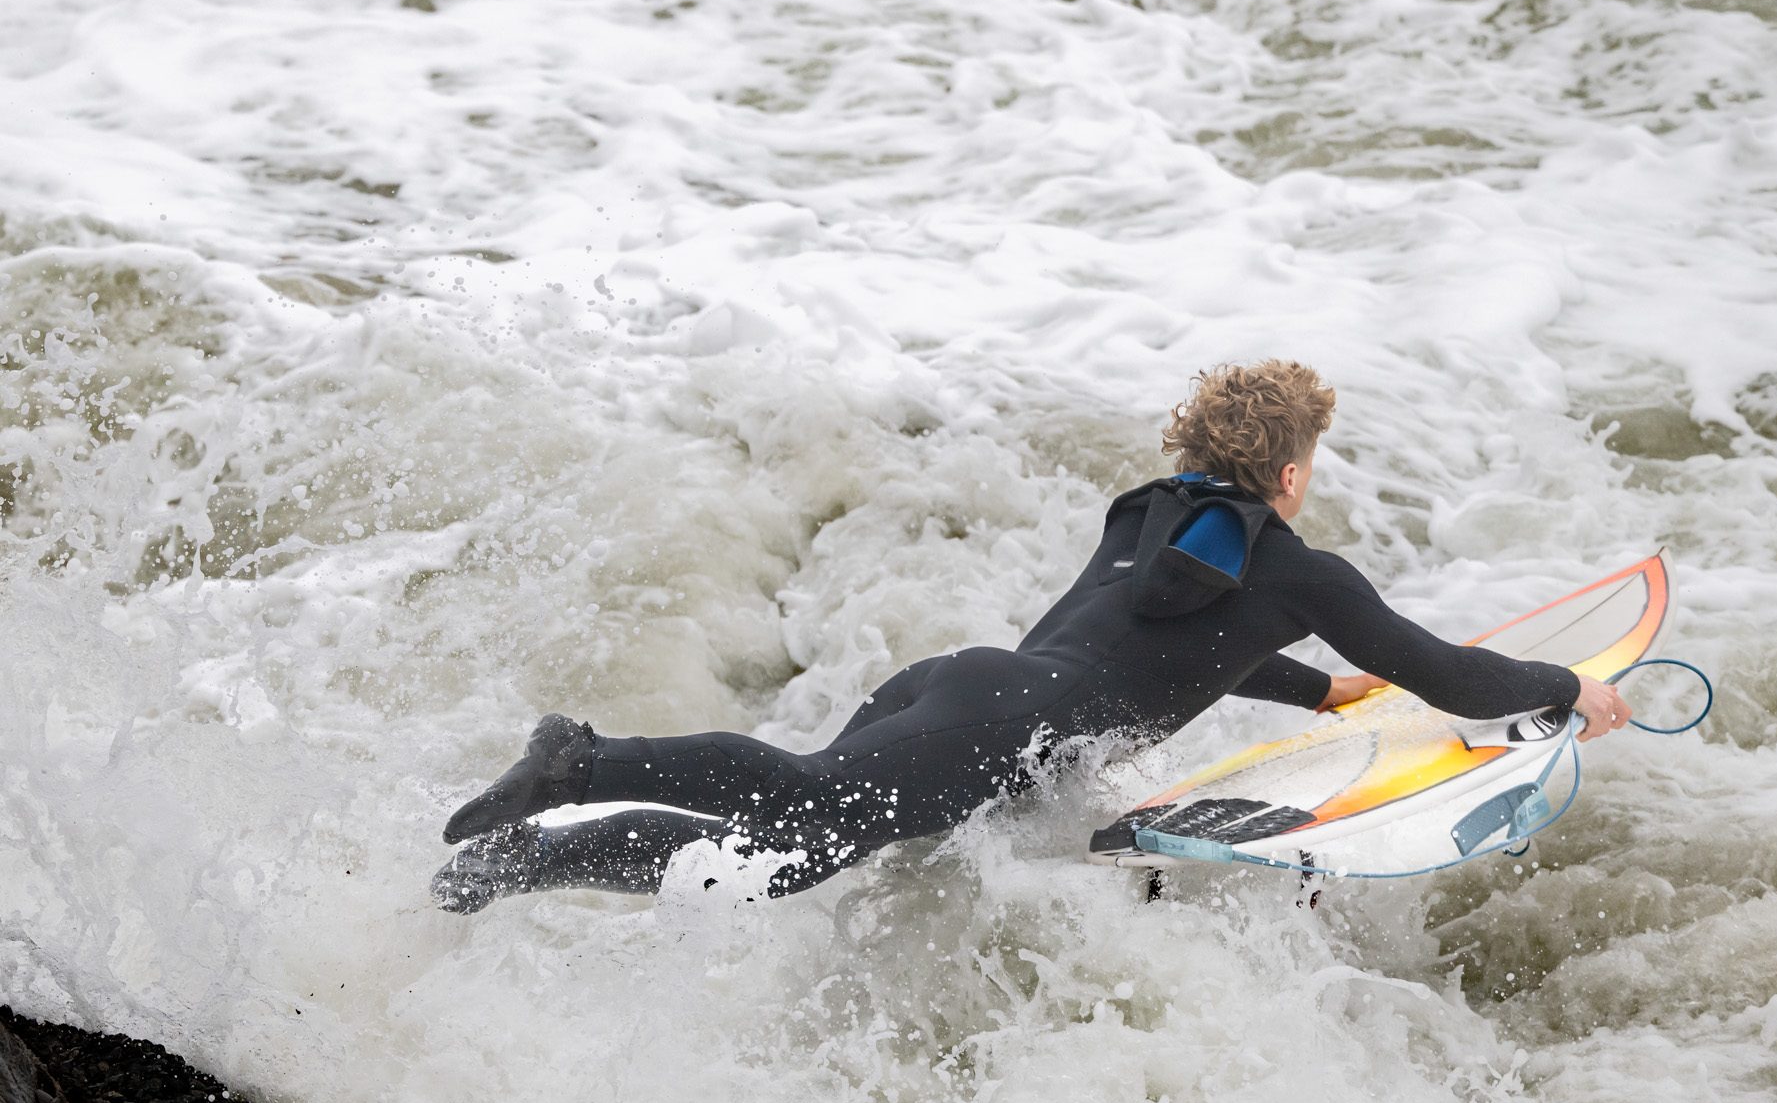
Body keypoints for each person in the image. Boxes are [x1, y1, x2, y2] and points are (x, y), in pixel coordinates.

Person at [433, 362, 1630, 910]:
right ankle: (578, 763)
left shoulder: (1152, 516)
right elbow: (1450, 675)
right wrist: (1570, 686)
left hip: (964, 682)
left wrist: (1316, 700)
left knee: (788, 854)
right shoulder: (1293, 570)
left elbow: (1178, 643)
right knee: (794, 809)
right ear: (1285, 471)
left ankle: (519, 862)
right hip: (1008, 723)